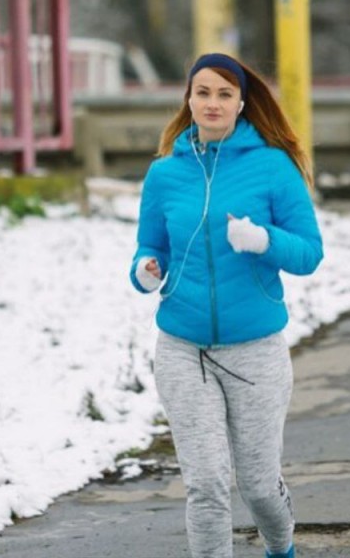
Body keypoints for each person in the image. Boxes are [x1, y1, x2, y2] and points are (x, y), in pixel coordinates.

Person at [130, 52, 323, 558]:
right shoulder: (165, 174)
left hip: (255, 350)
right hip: (182, 349)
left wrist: (264, 241)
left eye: (224, 94)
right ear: (188, 100)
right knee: (207, 484)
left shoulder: (272, 167)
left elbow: (309, 254)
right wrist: (145, 271)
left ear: (241, 103)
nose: (212, 103)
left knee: (258, 485)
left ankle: (280, 548)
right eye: (202, 93)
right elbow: (150, 247)